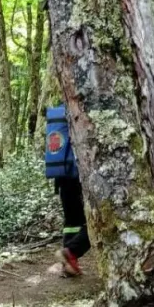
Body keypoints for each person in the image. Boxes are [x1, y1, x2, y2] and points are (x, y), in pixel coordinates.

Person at [43, 104, 90, 276]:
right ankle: (71, 252)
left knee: (72, 222)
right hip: (77, 175)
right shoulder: (82, 111)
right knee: (96, 221)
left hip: (62, 176)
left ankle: (68, 266)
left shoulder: (59, 117)